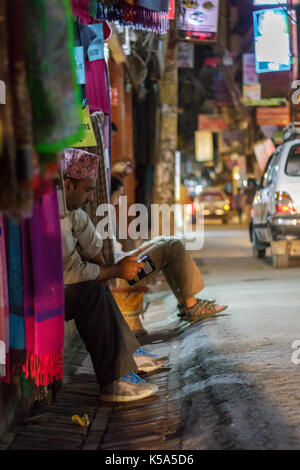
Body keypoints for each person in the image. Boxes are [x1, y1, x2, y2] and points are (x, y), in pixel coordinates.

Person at [60, 148, 168, 403]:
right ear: (68, 184)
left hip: (77, 279)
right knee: (92, 291)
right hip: (44, 295)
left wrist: (107, 268)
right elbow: (72, 273)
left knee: (98, 286)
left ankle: (129, 354)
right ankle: (112, 381)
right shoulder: (54, 215)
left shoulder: (72, 211)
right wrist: (115, 271)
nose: (89, 197)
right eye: (86, 190)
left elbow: (95, 249)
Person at [110, 176, 228, 322]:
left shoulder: (106, 214)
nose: (119, 200)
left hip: (122, 265)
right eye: (118, 195)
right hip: (122, 275)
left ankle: (185, 303)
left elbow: (117, 254)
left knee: (167, 241)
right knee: (173, 246)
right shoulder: (99, 215)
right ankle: (192, 305)